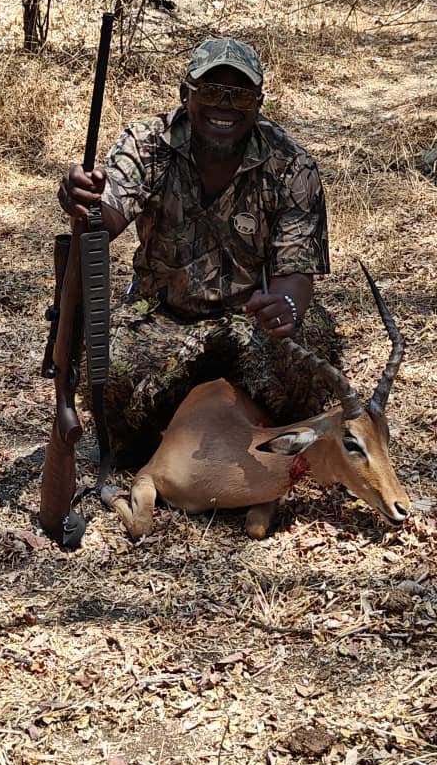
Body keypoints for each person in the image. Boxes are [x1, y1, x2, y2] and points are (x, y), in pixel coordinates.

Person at [59, 37, 339, 468]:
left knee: (311, 342)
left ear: (259, 102)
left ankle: (277, 446)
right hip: (162, 316)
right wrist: (85, 200)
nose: (223, 106)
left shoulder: (292, 166)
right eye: (210, 91)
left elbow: (296, 276)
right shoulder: (147, 143)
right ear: (184, 94)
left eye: (239, 94)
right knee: (108, 362)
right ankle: (144, 450)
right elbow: (106, 216)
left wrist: (284, 307)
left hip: (246, 321)